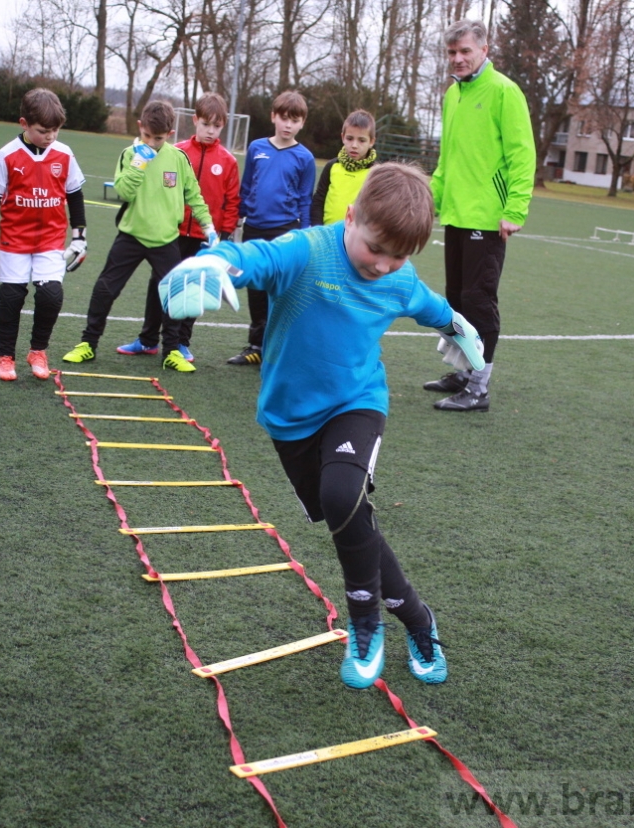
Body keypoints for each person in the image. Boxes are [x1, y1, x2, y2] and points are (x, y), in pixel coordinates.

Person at [156, 163, 484, 689]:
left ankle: (365, 627)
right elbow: (254, 256)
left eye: (398, 256)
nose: (383, 265)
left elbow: (431, 306)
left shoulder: (399, 278)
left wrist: (459, 329)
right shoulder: (309, 251)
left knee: (342, 494)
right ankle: (420, 619)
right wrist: (214, 260)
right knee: (351, 520)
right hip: (290, 419)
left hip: (358, 401)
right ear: (351, 217)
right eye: (375, 247)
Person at [425, 19, 536, 412]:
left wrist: (514, 209)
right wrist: (431, 202)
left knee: (478, 301)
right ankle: (462, 370)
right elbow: (447, 160)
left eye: (465, 51)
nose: (457, 59)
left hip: (488, 219)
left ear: (484, 50)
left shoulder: (505, 91)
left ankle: (479, 388)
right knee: (455, 300)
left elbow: (522, 155)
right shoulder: (451, 96)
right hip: (456, 214)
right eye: (452, 53)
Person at [61, 100, 215, 373]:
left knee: (172, 294)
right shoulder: (129, 154)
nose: (152, 143)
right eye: (147, 136)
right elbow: (124, 191)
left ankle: (170, 351)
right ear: (140, 127)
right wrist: (138, 164)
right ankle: (88, 344)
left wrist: (209, 227)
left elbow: (194, 196)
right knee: (105, 288)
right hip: (131, 236)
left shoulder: (178, 158)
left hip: (166, 239)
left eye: (158, 138)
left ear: (169, 134)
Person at [0, 87, 87, 382]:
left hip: (50, 240)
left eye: (56, 130)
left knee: (50, 295)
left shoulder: (64, 154)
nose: (50, 136)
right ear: (23, 124)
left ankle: (38, 350)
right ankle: (5, 356)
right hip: (15, 240)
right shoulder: (8, 155)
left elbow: (75, 194)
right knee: (11, 297)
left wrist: (79, 237)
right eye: (43, 130)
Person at [142, 91, 240, 364]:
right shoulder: (178, 152)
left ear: (223, 125)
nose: (210, 131)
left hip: (205, 238)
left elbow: (232, 201)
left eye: (216, 126)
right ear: (195, 120)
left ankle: (182, 342)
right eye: (205, 124)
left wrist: (226, 234)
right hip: (171, 233)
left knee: (193, 289)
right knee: (158, 283)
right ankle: (147, 339)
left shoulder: (228, 161)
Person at [226, 90, 315, 366]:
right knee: (255, 287)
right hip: (254, 228)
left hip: (286, 231)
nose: (288, 125)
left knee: (282, 290)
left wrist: (306, 234)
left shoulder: (305, 158)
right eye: (284, 118)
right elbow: (247, 187)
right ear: (273, 117)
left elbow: (304, 199)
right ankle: (256, 345)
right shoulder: (256, 148)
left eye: (295, 120)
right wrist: (235, 220)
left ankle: (280, 348)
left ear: (302, 123)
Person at [310, 109, 377, 227]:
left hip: (357, 240)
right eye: (350, 138)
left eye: (361, 140)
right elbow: (318, 201)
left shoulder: (376, 173)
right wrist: (318, 230)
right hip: (326, 235)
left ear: (371, 141)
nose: (354, 145)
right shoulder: (331, 166)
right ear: (343, 137)